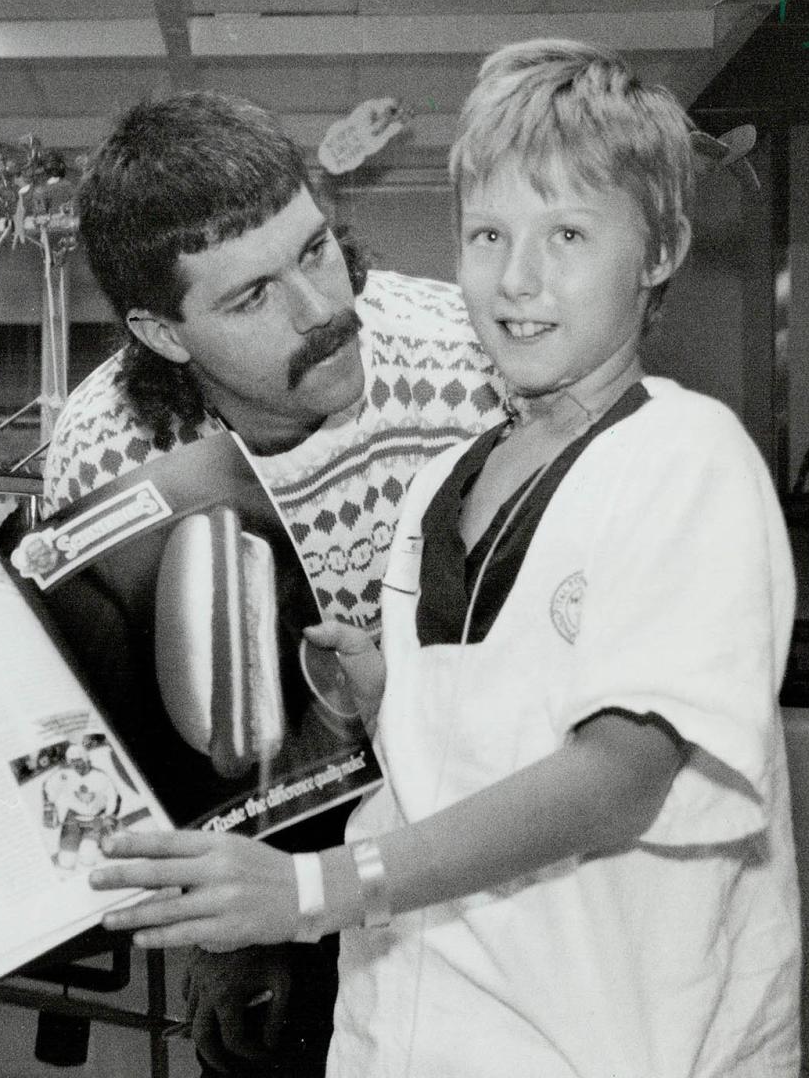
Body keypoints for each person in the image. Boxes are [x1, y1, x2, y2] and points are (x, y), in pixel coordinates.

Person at [90, 38, 801, 1078]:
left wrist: (312, 890)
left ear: (657, 250)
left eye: (565, 233)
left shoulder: (685, 459)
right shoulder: (443, 485)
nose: (515, 278)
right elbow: (489, 722)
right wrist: (388, 695)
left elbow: (619, 775)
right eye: (485, 234)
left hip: (620, 1042)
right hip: (410, 1034)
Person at [43, 90, 504, 1076]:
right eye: (250, 297)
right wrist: (225, 941)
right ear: (162, 334)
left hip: (473, 803)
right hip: (269, 820)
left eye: (312, 251)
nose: (319, 312)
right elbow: (129, 753)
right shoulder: (106, 456)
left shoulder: (469, 361)